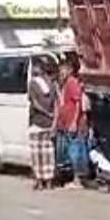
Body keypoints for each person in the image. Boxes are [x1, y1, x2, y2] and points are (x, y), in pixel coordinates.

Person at [55, 60, 90, 189]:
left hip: (73, 124)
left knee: (75, 151)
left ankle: (77, 180)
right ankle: (75, 178)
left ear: (69, 70)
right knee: (70, 151)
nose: (61, 73)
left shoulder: (72, 83)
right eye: (60, 70)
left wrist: (74, 122)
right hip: (66, 123)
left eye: (63, 70)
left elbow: (77, 104)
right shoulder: (64, 84)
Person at [28, 60, 57, 190]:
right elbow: (57, 103)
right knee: (48, 153)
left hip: (37, 122)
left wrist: (47, 113)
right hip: (49, 123)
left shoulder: (32, 83)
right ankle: (49, 180)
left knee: (37, 153)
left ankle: (39, 181)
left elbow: (34, 103)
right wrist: (53, 117)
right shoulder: (51, 84)